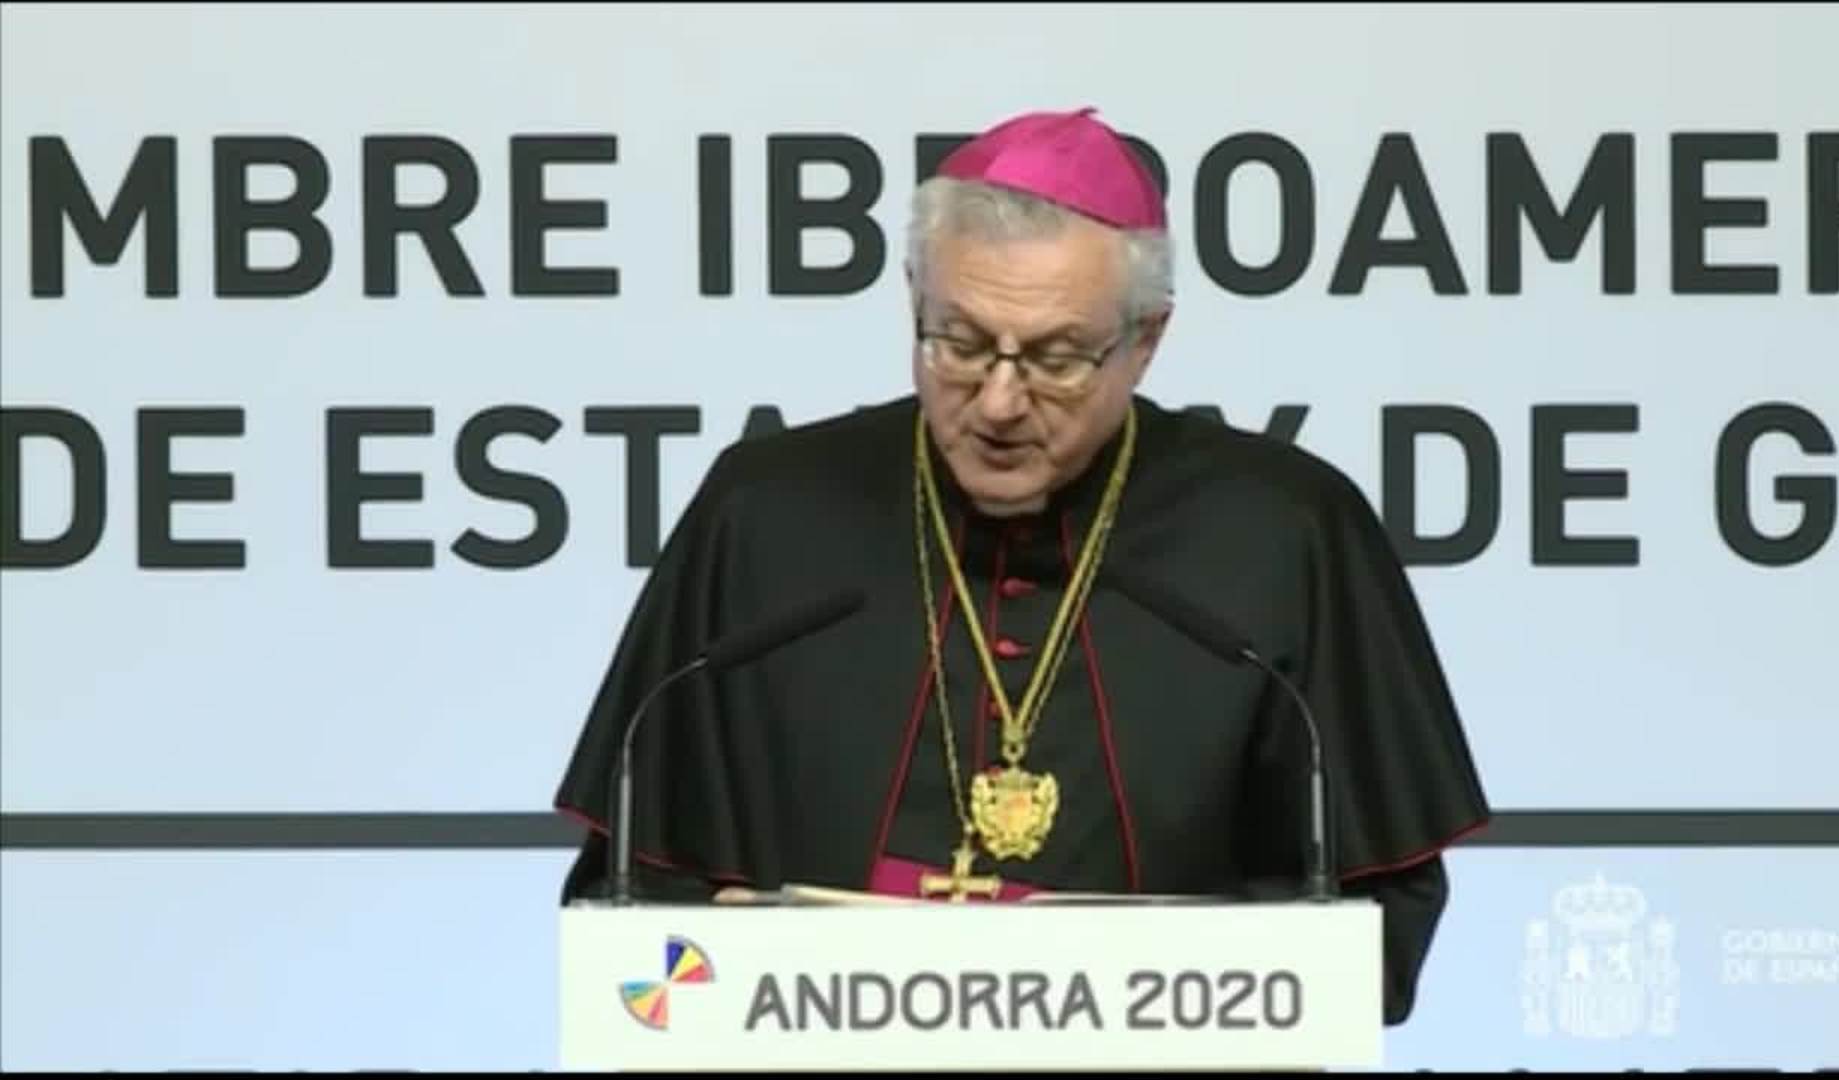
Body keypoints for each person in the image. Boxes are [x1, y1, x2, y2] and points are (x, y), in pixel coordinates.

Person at [551, 106, 1490, 1025]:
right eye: (959, 344)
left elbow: (1373, 931)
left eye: (1055, 358)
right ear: (913, 303)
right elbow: (635, 915)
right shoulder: (764, 514)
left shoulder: (1286, 530)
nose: (999, 402)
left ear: (1146, 341)